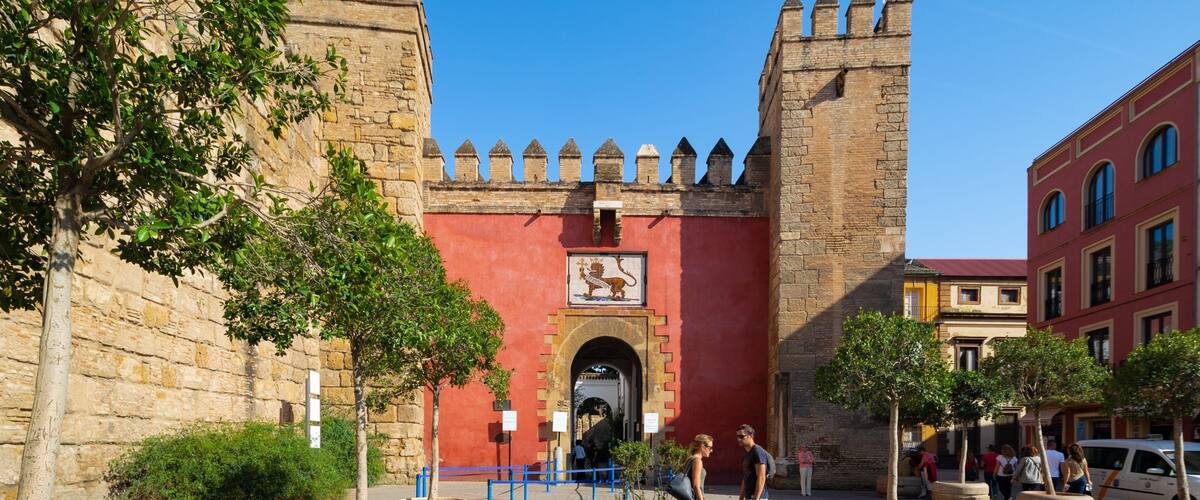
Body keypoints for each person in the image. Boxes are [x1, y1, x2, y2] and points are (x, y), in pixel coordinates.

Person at [674, 434, 712, 500]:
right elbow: (696, 486)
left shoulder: (690, 458)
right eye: (710, 447)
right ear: (702, 446)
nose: (711, 450)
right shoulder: (697, 461)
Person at [736, 424, 770, 500]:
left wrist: (756, 498)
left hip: (758, 497)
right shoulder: (748, 454)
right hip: (749, 496)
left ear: (750, 436)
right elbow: (746, 477)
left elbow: (761, 477)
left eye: (741, 436)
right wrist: (741, 497)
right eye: (737, 437)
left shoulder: (757, 452)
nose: (738, 439)